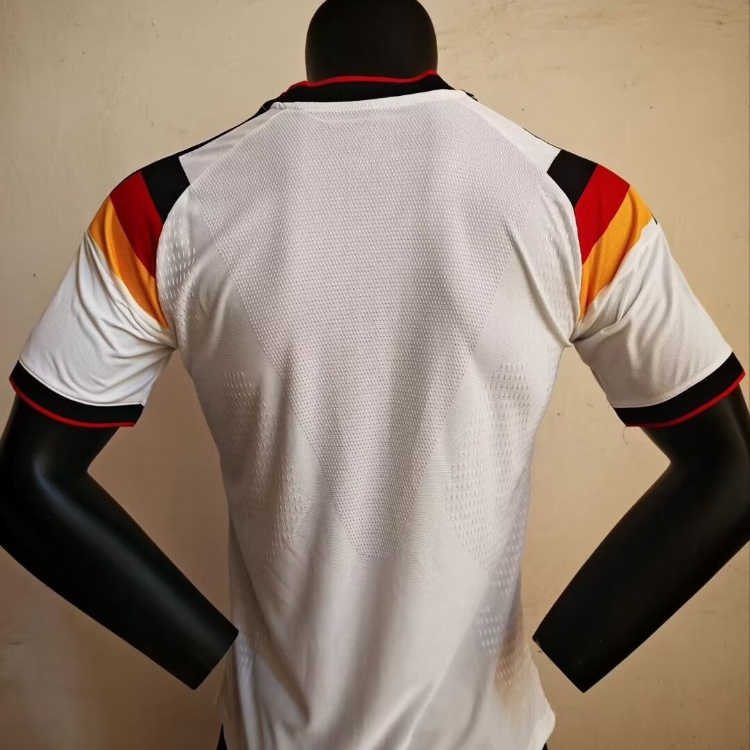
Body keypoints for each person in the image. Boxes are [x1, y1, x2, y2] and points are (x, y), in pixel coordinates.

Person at [1, 0, 748, 748]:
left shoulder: (166, 209)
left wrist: (199, 647)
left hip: (275, 731)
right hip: (490, 731)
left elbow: (29, 481)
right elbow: (732, 469)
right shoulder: (579, 205)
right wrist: (579, 642)